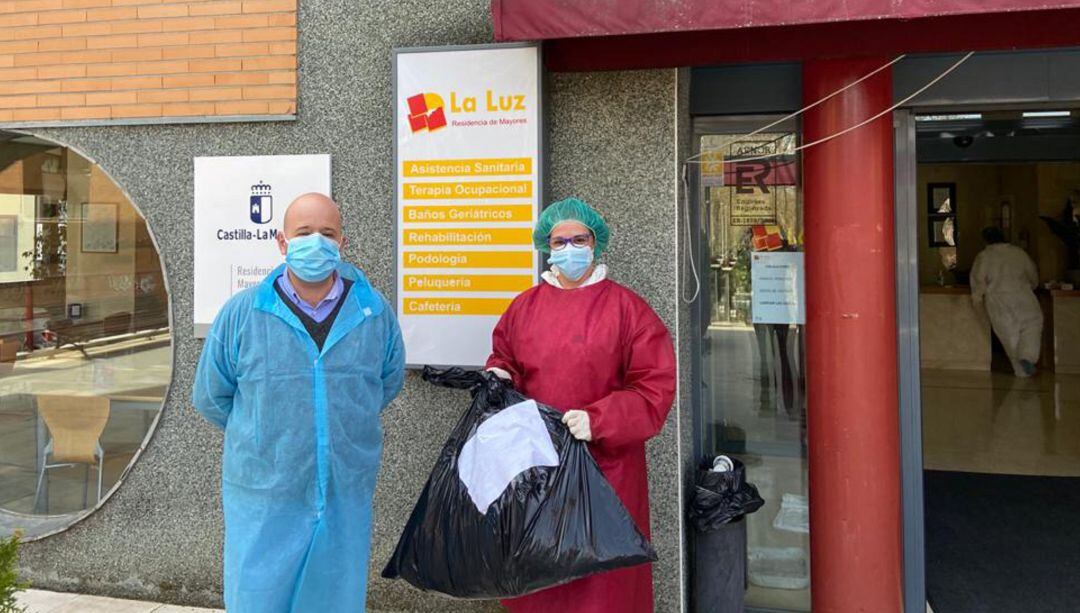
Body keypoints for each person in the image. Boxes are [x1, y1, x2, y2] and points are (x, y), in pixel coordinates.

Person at [192, 192, 405, 612]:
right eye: (304, 233)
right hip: (264, 494)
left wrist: (332, 427)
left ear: (342, 242)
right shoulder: (242, 313)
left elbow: (385, 384)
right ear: (282, 241)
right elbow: (211, 396)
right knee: (260, 597)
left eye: (327, 233)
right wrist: (265, 437)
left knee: (333, 596)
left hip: (344, 490)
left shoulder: (373, 313)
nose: (316, 242)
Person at [485, 197, 677, 613]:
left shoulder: (628, 311)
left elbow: (654, 388)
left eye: (578, 239)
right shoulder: (525, 307)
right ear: (546, 247)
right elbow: (506, 358)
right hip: (536, 469)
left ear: (595, 243)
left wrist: (600, 419)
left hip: (606, 474)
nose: (568, 248)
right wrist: (499, 375)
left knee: (601, 587)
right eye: (559, 241)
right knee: (539, 580)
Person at [970, 226, 1043, 377]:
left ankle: (1021, 371)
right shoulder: (1019, 253)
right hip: (1024, 296)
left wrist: (977, 300)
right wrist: (1031, 286)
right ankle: (1028, 357)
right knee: (1032, 327)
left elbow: (979, 281)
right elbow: (1033, 276)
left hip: (998, 300)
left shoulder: (984, 256)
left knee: (1010, 336)